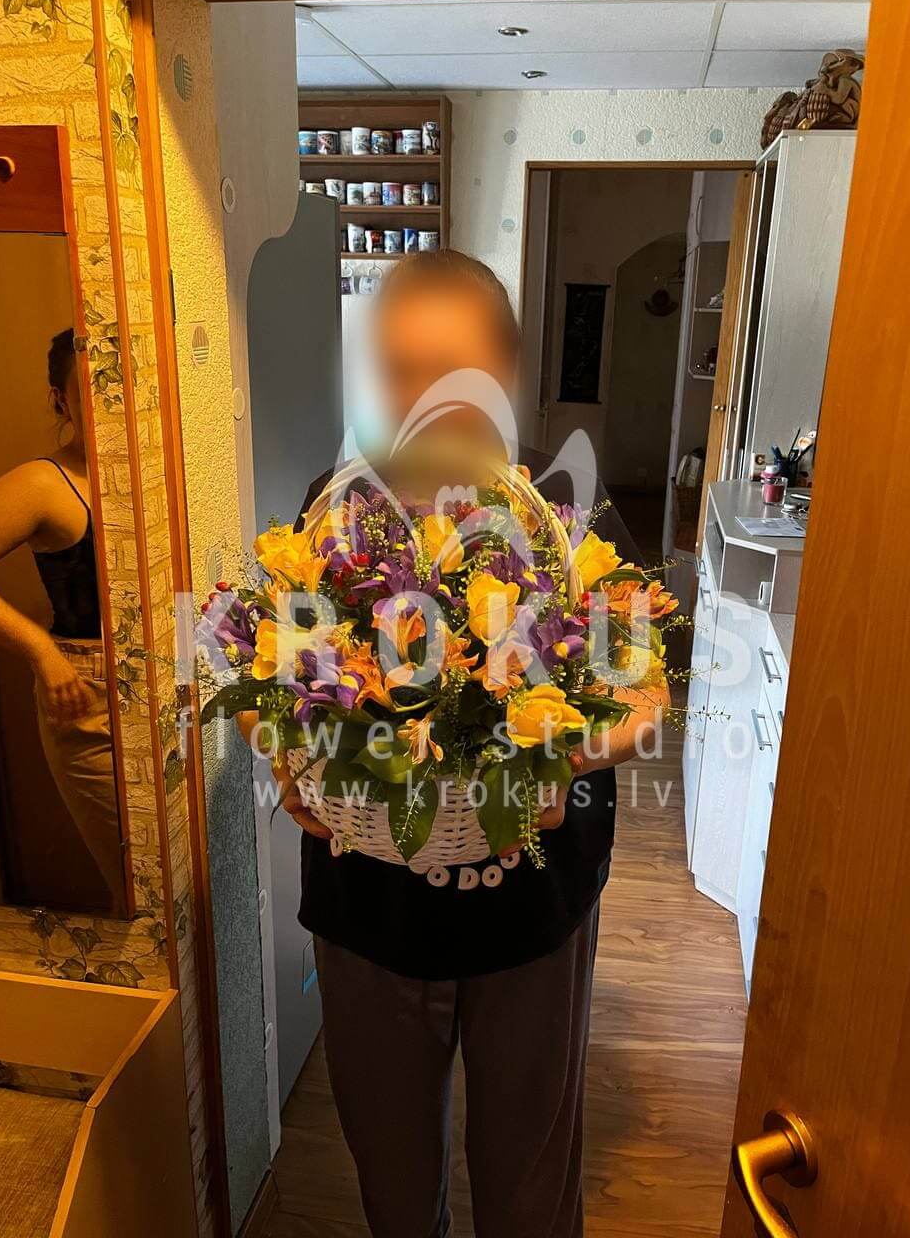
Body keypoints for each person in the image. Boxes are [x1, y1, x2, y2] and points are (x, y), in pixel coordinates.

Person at [262, 252, 669, 1237]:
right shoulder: (334, 504)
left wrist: (567, 754)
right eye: (401, 369)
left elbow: (646, 699)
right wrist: (282, 756)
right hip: (369, 914)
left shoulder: (566, 505)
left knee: (529, 1188)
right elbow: (278, 675)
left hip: (532, 915)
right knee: (393, 1186)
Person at [0, 328, 125, 910]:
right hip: (86, 702)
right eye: (92, 389)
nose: (110, 404)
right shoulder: (43, 484)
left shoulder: (152, 475)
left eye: (119, 387)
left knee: (186, 880)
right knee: (138, 885)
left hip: (168, 699)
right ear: (60, 400)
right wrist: (39, 650)